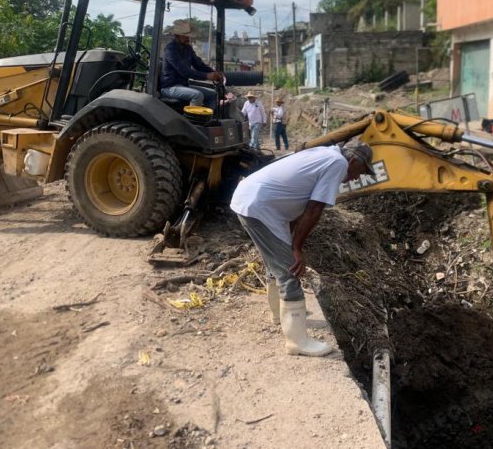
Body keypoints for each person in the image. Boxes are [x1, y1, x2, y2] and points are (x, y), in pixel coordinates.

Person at [230, 140, 376, 357]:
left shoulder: (325, 153)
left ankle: (280, 316)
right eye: (360, 171)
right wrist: (297, 248)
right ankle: (297, 341)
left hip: (255, 201)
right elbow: (314, 207)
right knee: (290, 270)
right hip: (259, 206)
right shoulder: (337, 163)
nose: (356, 178)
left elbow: (295, 200)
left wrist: (291, 242)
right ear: (353, 160)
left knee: (278, 264)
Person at [160, 21, 223, 107]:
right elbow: (184, 71)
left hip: (183, 86)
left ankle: (206, 119)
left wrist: (214, 73)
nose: (188, 38)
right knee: (197, 95)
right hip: (170, 87)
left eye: (188, 36)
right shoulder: (170, 50)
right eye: (185, 36)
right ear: (177, 36)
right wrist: (206, 76)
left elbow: (199, 65)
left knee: (213, 94)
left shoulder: (188, 48)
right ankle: (191, 120)